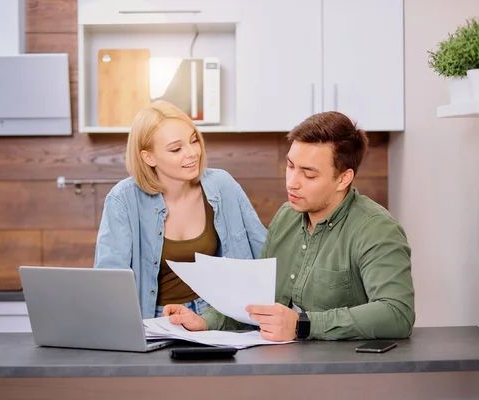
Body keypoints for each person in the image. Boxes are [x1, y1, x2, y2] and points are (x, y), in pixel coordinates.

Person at [163, 111, 415, 341]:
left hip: (344, 375)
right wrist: (205, 320)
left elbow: (397, 313)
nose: (292, 183)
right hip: (282, 365)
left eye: (309, 174)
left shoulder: (376, 229)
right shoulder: (287, 216)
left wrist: (303, 325)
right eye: (290, 166)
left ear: (343, 178)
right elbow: (256, 298)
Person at [94, 100, 267, 319]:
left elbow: (263, 250)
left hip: (216, 316)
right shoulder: (123, 200)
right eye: (176, 149)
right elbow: (110, 279)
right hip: (155, 319)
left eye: (193, 141)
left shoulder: (223, 186)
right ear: (149, 157)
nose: (192, 153)